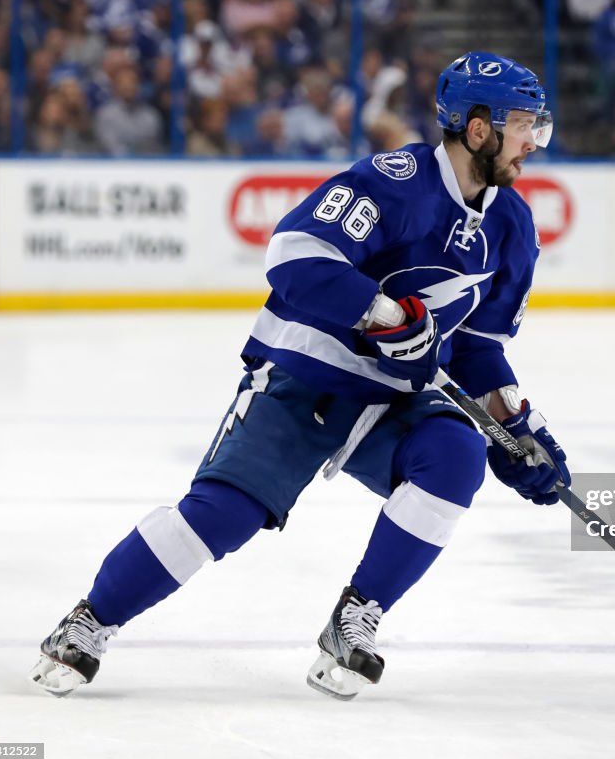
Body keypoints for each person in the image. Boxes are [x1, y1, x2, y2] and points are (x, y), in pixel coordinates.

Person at [29, 51, 571, 701]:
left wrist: (516, 424)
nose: (534, 142)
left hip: (394, 399)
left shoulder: (511, 227)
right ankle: (90, 619)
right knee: (223, 514)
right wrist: (383, 314)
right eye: (522, 126)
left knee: (457, 455)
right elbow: (294, 253)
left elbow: (478, 349)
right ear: (477, 129)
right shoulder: (395, 181)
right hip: (305, 374)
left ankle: (354, 620)